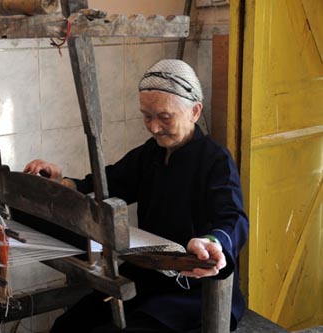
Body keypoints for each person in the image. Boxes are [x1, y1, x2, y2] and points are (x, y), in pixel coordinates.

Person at [24, 59, 249, 332]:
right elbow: (107, 182)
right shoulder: (150, 154)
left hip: (191, 292)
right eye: (147, 116)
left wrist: (212, 241)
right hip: (148, 277)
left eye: (164, 117)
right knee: (66, 327)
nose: (153, 128)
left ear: (195, 111)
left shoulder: (215, 161)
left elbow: (233, 218)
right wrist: (63, 182)